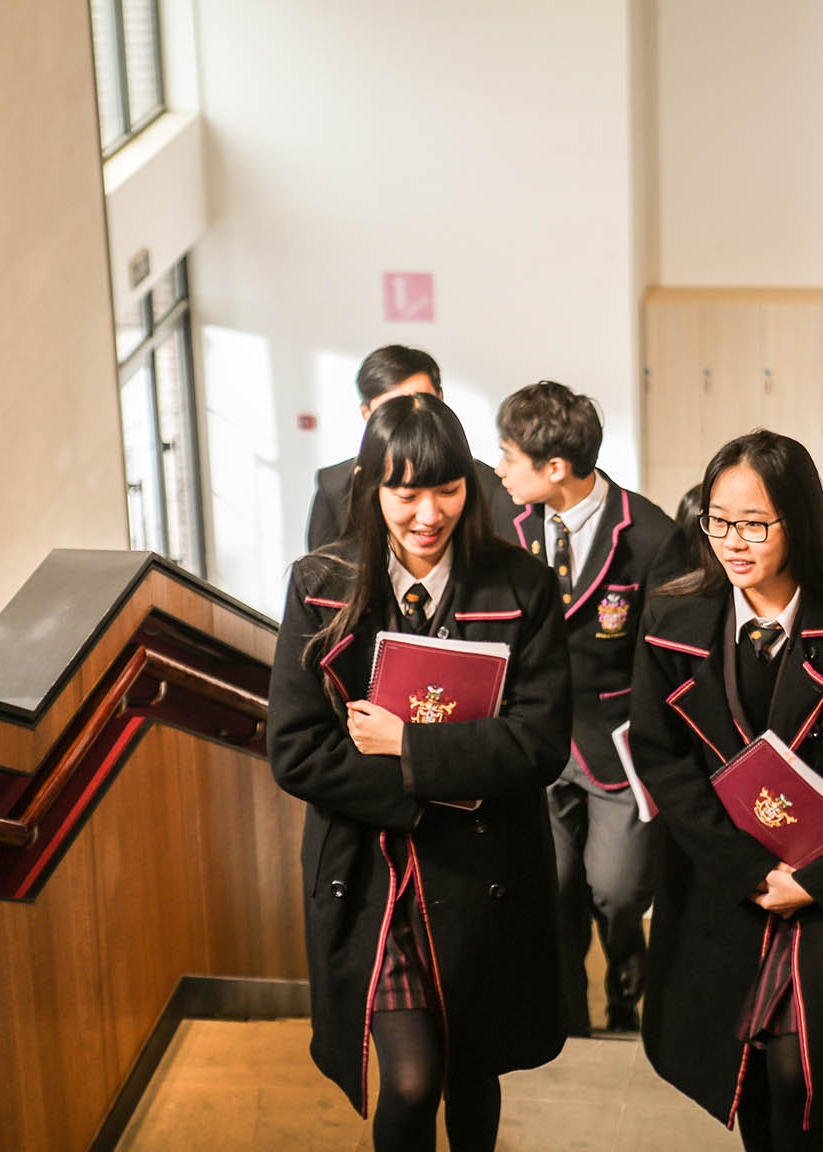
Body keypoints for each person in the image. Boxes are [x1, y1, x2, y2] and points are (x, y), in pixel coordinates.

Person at [269, 392, 572, 1152]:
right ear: (370, 488)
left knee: (474, 1065)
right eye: (405, 493)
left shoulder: (522, 586)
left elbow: (541, 743)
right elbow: (297, 748)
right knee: (409, 1081)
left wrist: (410, 748)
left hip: (483, 871)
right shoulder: (319, 585)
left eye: (447, 489)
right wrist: (431, 791)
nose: (428, 514)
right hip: (373, 873)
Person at [629, 429, 823, 1151]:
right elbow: (663, 760)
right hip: (725, 880)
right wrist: (751, 871)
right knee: (747, 1070)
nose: (734, 541)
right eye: (719, 521)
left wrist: (815, 879)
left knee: (802, 1068)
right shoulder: (672, 618)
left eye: (755, 523)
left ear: (801, 519)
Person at [493, 380, 680, 1036]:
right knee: (553, 887)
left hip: (615, 742)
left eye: (508, 456)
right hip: (534, 738)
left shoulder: (650, 535)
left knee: (618, 889)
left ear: (555, 468)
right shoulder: (505, 522)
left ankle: (628, 965)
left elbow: (668, 657)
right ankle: (568, 1016)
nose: (498, 470)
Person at [306, 344, 514, 551]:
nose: (411, 415)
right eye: (392, 409)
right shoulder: (334, 486)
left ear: (440, 399)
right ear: (366, 413)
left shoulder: (489, 485)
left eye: (448, 491)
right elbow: (322, 565)